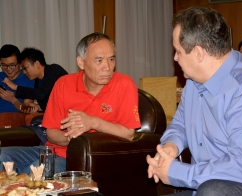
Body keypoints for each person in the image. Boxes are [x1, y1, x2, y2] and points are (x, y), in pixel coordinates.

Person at [146, 6, 242, 196]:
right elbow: (181, 123)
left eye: (177, 51)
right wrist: (171, 145)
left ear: (199, 53)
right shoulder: (194, 82)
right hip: (215, 185)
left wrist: (177, 172)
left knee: (212, 192)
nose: (175, 57)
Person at [0, 32, 141, 175]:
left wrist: (93, 122)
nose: (107, 67)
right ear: (81, 62)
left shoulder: (124, 84)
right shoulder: (64, 84)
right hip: (53, 150)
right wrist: (71, 136)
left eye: (111, 59)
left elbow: (128, 134)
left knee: (35, 172)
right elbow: (51, 132)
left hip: (83, 158)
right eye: (99, 60)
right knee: (3, 156)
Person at [2, 47, 68, 113]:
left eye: (25, 68)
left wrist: (16, 87)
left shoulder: (53, 69)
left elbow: (42, 94)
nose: (24, 72)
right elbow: (49, 103)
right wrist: (38, 107)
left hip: (71, 111)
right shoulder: (37, 80)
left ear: (37, 64)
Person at [0, 44, 34, 113]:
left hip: (15, 120)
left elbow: (27, 110)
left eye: (12, 65)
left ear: (20, 63)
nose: (8, 69)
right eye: (4, 65)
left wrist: (13, 100)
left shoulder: (29, 79)